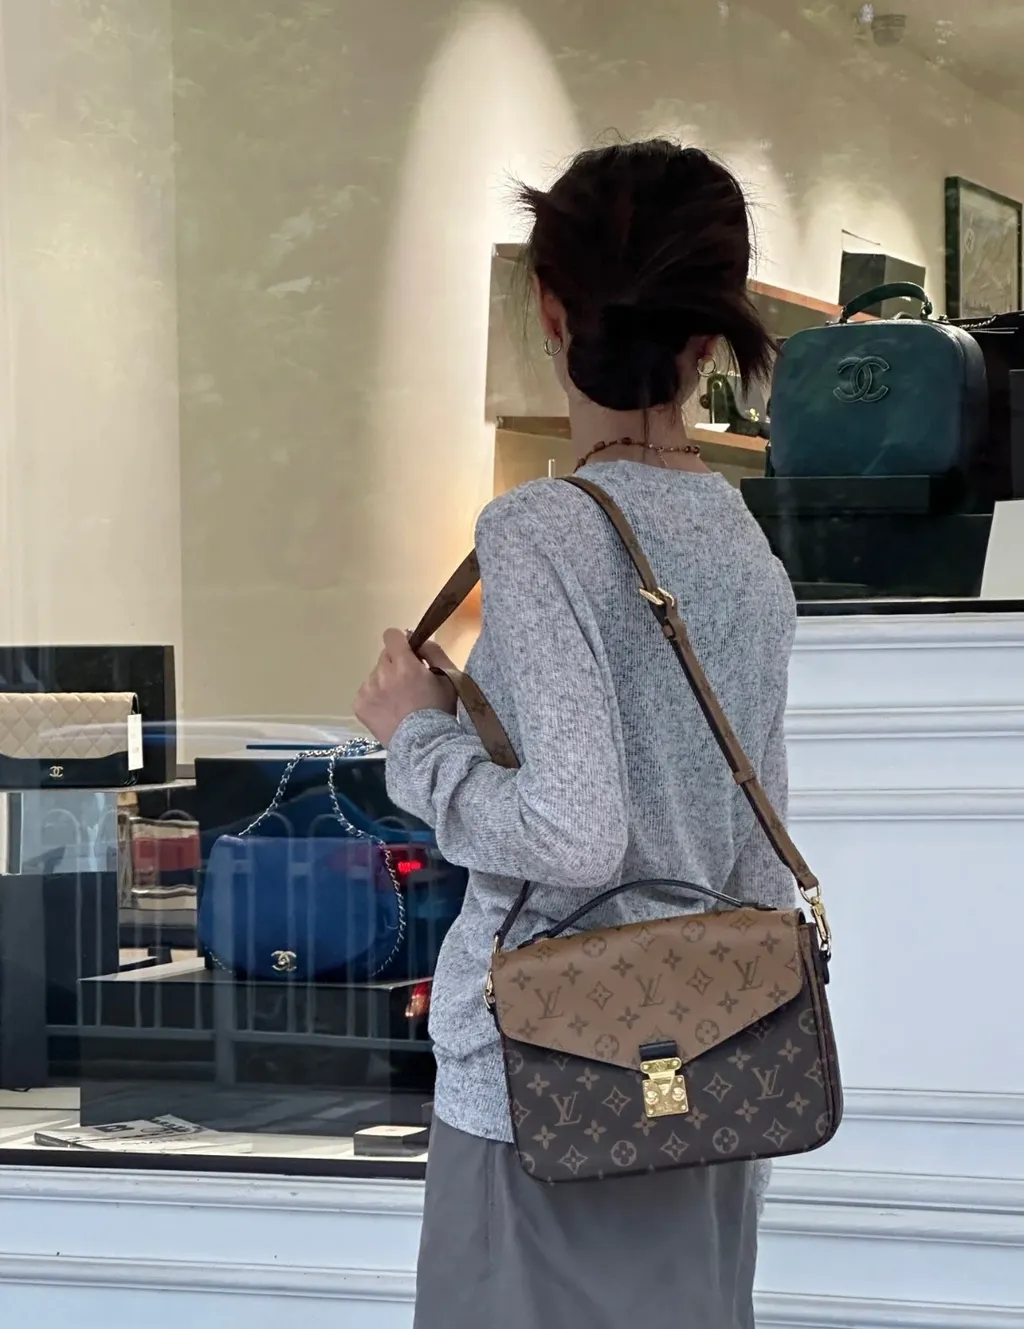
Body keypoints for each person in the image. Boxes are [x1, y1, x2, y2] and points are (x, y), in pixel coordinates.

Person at [354, 139, 797, 1329]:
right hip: (712, 1053)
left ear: (549, 310)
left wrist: (418, 740)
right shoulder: (741, 543)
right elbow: (756, 836)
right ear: (708, 338)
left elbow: (573, 831)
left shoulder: (543, 529)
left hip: (545, 1073)